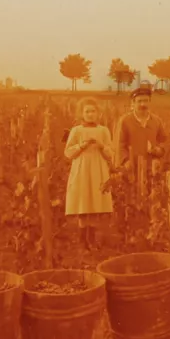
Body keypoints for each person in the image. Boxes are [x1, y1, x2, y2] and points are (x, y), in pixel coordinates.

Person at [64, 97, 114, 249]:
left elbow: (110, 153)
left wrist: (100, 146)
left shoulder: (103, 130)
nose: (90, 114)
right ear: (81, 114)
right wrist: (81, 146)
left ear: (98, 113)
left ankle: (91, 238)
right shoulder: (76, 130)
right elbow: (68, 152)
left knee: (94, 202)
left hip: (98, 169)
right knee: (83, 201)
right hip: (82, 169)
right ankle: (81, 239)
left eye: (93, 111)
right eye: (87, 111)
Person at [115, 87, 168, 178]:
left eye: (145, 101)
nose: (143, 104)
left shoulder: (156, 121)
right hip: (131, 167)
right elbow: (119, 145)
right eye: (139, 101)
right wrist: (125, 161)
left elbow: (163, 141)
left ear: (149, 102)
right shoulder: (125, 121)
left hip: (151, 167)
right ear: (133, 103)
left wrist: (158, 151)